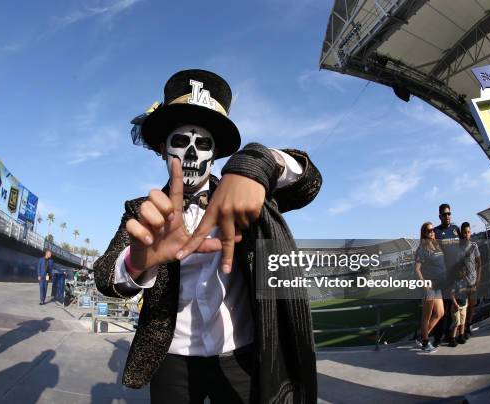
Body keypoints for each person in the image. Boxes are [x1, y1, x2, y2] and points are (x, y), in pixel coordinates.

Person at [94, 69, 321, 403]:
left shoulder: (244, 199)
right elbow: (104, 276)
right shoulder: (142, 211)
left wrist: (257, 164)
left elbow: (309, 183)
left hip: (241, 355)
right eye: (180, 142)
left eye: (202, 144)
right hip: (170, 359)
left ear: (214, 154)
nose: (191, 153)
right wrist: (138, 261)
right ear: (162, 149)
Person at [413, 222, 446, 353]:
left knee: (440, 313)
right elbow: (416, 269)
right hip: (429, 287)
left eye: (433, 230)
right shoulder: (422, 249)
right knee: (426, 316)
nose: (432, 232)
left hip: (438, 286)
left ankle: (422, 337)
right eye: (429, 230)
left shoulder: (436, 245)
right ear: (424, 233)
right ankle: (425, 343)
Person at [432, 203, 461, 346]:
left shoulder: (456, 229)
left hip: (456, 276)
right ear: (440, 216)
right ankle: (437, 338)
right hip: (443, 277)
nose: (447, 216)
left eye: (449, 213)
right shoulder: (436, 232)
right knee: (441, 310)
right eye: (444, 214)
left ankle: (450, 335)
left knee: (452, 308)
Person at [459, 222, 481, 338]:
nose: (466, 234)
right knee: (464, 307)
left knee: (472, 305)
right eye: (464, 232)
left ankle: (468, 326)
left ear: (470, 232)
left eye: (468, 232)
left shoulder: (474, 246)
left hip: (473, 282)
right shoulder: (458, 247)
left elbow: (479, 264)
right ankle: (462, 330)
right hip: (463, 283)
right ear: (461, 233)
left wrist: (478, 280)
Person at [448, 267, 471, 347]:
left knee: (463, 322)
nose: (464, 273)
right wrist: (455, 304)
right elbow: (452, 295)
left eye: (465, 272)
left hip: (464, 305)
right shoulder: (455, 283)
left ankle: (461, 336)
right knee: (456, 323)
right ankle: (452, 338)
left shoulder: (465, 281)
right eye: (462, 272)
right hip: (456, 306)